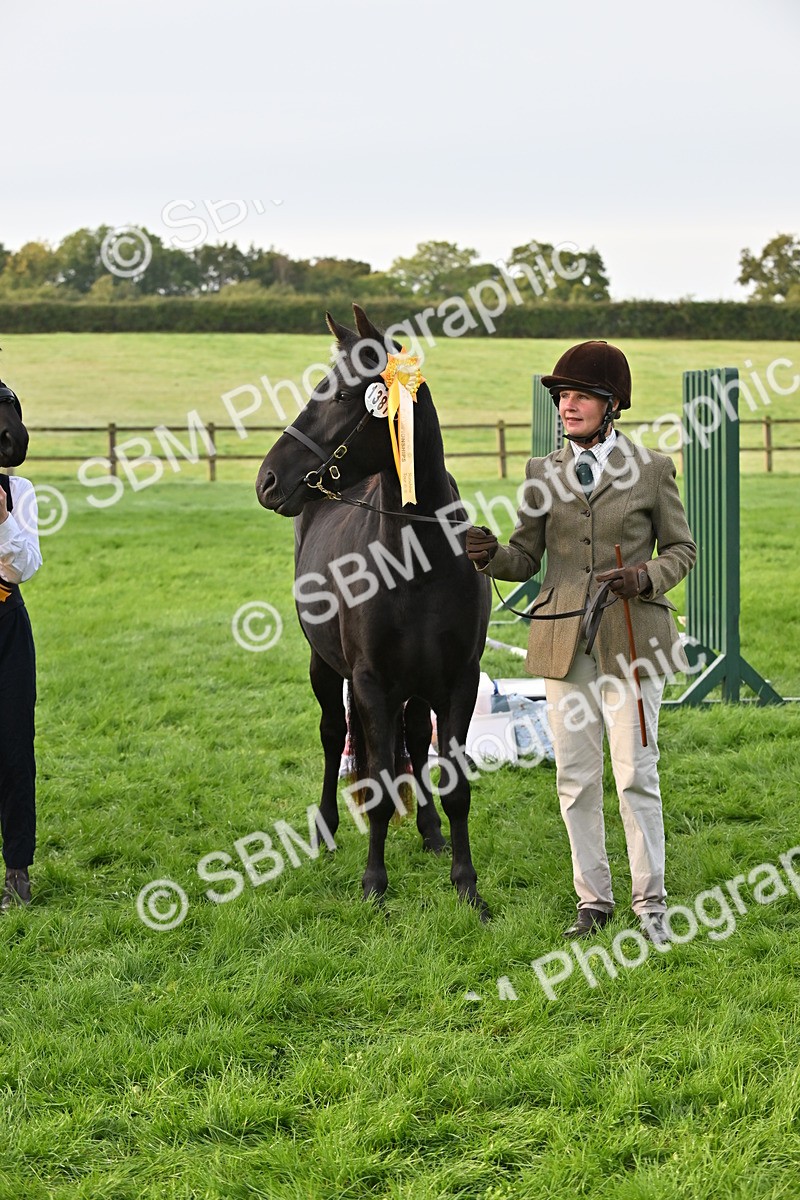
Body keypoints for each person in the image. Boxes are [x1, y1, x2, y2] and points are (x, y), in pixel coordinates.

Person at [466, 341, 696, 943]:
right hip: (561, 643)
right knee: (575, 778)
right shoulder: (541, 472)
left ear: (611, 404)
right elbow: (526, 556)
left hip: (634, 638)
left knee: (634, 775)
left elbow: (681, 550)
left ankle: (651, 905)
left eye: (581, 396)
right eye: (562, 396)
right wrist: (491, 557)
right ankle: (592, 901)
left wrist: (644, 576)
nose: (568, 406)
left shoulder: (652, 468)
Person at [0, 380, 41, 912]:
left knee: (13, 747)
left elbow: (25, 565)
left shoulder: (21, 491)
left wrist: (5, 519)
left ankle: (17, 871)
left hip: (7, 624)